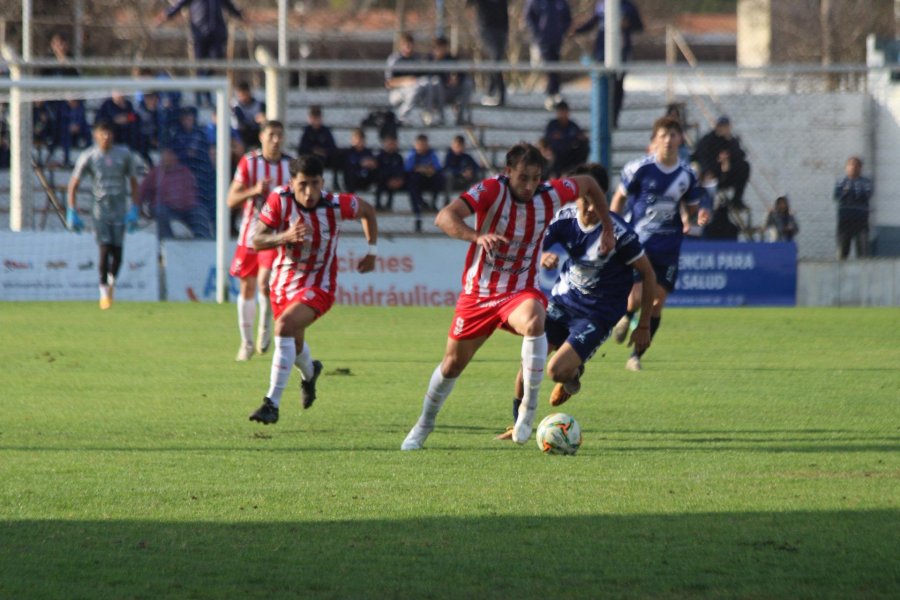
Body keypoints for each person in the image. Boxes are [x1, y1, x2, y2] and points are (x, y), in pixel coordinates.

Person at [400, 142, 615, 451]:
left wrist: (607, 228)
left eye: (535, 178)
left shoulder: (551, 194)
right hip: (478, 293)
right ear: (508, 172)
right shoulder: (490, 190)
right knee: (451, 365)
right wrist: (477, 236)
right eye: (522, 177)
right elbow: (445, 217)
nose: (529, 186)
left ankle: (527, 410)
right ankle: (424, 424)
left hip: (518, 290)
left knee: (534, 319)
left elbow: (591, 184)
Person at [496, 163, 656, 440]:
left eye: (597, 201)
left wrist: (643, 326)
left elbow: (648, 274)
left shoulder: (619, 233)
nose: (591, 208)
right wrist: (542, 255)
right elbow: (533, 244)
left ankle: (572, 373)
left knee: (555, 371)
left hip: (598, 314)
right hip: (562, 302)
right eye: (585, 200)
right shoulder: (564, 218)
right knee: (528, 362)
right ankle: (517, 425)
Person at [247, 155, 379, 425]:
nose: (309, 193)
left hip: (319, 285)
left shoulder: (336, 204)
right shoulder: (280, 199)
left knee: (283, 326)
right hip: (283, 284)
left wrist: (372, 250)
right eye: (303, 184)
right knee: (293, 345)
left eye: (315, 184)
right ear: (292, 183)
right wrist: (284, 237)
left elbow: (368, 211)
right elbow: (256, 240)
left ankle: (271, 403)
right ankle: (310, 373)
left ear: (323, 182)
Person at [610, 116, 711, 371]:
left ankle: (635, 357)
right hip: (638, 245)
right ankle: (626, 315)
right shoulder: (639, 169)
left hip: (668, 248)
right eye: (663, 135)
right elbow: (619, 198)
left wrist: (697, 215)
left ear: (680, 140)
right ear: (654, 141)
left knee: (657, 302)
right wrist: (611, 228)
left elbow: (691, 206)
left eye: (673, 135)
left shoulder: (687, 174)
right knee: (634, 300)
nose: (668, 140)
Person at [227, 120, 293, 361]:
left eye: (279, 135)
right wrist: (254, 191)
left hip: (275, 235)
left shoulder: (290, 165)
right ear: (262, 137)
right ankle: (246, 344)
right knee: (247, 286)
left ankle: (265, 326)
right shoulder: (249, 162)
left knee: (265, 282)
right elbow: (231, 199)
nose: (276, 140)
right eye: (271, 135)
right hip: (249, 235)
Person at [66, 121, 141, 310]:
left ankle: (111, 282)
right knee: (104, 249)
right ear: (95, 135)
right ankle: (103, 294)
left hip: (120, 210)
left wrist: (135, 209)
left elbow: (133, 182)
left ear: (112, 135)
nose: (106, 137)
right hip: (100, 211)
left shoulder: (124, 155)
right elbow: (73, 184)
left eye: (108, 133)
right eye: (102, 133)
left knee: (118, 253)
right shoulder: (89, 156)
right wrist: (71, 210)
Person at [572, 0, 644, 129]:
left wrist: (628, 24)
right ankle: (601, 118)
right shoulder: (602, 4)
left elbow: (639, 26)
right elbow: (593, 21)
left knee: (617, 86)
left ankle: (614, 118)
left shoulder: (628, 6)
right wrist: (577, 30)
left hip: (621, 53)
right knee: (601, 85)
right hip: (601, 52)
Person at [157, 0, 244, 106]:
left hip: (216, 34)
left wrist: (241, 15)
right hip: (200, 33)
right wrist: (167, 14)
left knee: (215, 61)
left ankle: (205, 90)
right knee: (200, 66)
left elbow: (229, 5)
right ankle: (199, 96)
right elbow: (180, 4)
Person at [138, 147, 210, 239]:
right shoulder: (155, 173)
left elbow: (193, 193)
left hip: (187, 209)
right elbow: (142, 191)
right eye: (165, 155)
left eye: (170, 154)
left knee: (200, 213)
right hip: (165, 208)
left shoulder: (185, 172)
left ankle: (204, 243)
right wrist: (138, 208)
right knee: (160, 211)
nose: (166, 158)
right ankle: (167, 242)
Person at [691, 115, 751, 209]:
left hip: (726, 174)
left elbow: (740, 156)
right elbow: (699, 156)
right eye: (721, 126)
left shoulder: (731, 141)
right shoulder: (707, 140)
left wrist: (730, 141)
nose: (723, 128)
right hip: (711, 175)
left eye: (726, 126)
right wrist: (711, 169)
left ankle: (736, 200)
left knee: (745, 166)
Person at [385, 32, 443, 126]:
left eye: (410, 44)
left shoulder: (417, 58)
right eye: (406, 45)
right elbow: (388, 83)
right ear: (401, 45)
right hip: (396, 92)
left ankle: (428, 115)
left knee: (431, 82)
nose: (408, 47)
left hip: (415, 90)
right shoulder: (395, 59)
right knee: (415, 87)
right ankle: (401, 116)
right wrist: (406, 80)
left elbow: (423, 76)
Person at [525, 0, 572, 111]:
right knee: (547, 65)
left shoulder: (560, 2)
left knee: (554, 66)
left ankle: (554, 92)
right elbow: (529, 17)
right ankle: (551, 92)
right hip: (542, 41)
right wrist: (538, 34)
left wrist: (562, 31)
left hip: (556, 41)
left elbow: (567, 17)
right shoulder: (535, 2)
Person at [171, 106, 216, 221]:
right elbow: (174, 155)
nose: (187, 121)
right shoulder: (177, 135)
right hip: (183, 171)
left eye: (190, 118)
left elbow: (205, 152)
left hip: (201, 170)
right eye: (185, 118)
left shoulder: (201, 134)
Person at [469, 0, 509, 107]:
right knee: (495, 58)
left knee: (497, 60)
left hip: (502, 29)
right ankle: (500, 92)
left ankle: (490, 89)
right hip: (486, 28)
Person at [429, 36, 475, 126]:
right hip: (435, 94)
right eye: (438, 48)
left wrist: (457, 79)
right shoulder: (429, 60)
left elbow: (462, 74)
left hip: (451, 91)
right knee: (436, 82)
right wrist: (445, 81)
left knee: (468, 83)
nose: (441, 50)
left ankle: (460, 117)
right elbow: (427, 77)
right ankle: (440, 118)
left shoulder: (451, 59)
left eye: (443, 48)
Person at [834, 156, 873, 259]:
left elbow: (866, 195)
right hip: (845, 221)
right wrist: (846, 192)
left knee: (862, 251)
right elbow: (837, 196)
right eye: (851, 165)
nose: (853, 167)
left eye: (856, 165)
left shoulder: (866, 182)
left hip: (861, 222)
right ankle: (840, 273)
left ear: (860, 168)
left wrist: (850, 191)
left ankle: (863, 273)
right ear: (846, 167)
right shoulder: (841, 181)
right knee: (842, 250)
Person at [405, 134, 445, 231]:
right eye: (420, 144)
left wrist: (428, 169)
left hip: (429, 179)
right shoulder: (412, 154)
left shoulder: (431, 153)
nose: (422, 147)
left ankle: (433, 203)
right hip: (417, 181)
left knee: (439, 178)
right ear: (416, 145)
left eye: (424, 144)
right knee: (412, 182)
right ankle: (419, 210)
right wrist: (421, 169)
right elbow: (408, 168)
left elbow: (438, 167)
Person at [297, 105, 340, 188]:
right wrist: (313, 150)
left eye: (317, 118)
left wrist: (324, 151)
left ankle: (335, 181)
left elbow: (332, 146)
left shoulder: (326, 131)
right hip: (311, 158)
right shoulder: (307, 131)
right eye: (314, 118)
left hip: (325, 158)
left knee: (338, 156)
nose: (316, 121)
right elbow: (302, 148)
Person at [543, 100, 589, 177]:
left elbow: (580, 137)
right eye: (560, 112)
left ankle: (579, 169)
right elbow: (547, 139)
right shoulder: (552, 125)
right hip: (556, 155)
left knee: (584, 147)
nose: (562, 114)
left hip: (569, 154)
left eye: (564, 111)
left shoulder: (572, 125)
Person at [443, 135, 482, 205]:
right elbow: (446, 169)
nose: (459, 148)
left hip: (465, 181)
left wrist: (471, 172)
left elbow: (476, 167)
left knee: (479, 176)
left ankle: (474, 200)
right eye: (457, 146)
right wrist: (461, 172)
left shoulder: (466, 157)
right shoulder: (449, 156)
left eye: (461, 146)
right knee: (449, 175)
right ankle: (446, 201)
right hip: (454, 181)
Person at [374, 134, 406, 212]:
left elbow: (401, 170)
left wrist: (399, 179)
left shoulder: (398, 157)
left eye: (393, 144)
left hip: (395, 180)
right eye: (389, 144)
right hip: (382, 180)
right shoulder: (380, 156)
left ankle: (389, 204)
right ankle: (378, 204)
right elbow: (377, 171)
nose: (391, 146)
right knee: (380, 182)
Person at [231, 81, 266, 149]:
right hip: (242, 135)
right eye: (241, 95)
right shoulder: (236, 106)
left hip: (256, 133)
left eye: (245, 95)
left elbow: (263, 119)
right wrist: (254, 121)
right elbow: (240, 124)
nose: (243, 98)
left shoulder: (259, 105)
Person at [342, 128, 378, 194]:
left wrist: (372, 164)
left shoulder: (367, 152)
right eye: (357, 139)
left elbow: (374, 163)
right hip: (353, 180)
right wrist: (360, 163)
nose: (359, 142)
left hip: (364, 179)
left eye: (361, 140)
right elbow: (348, 165)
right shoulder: (348, 152)